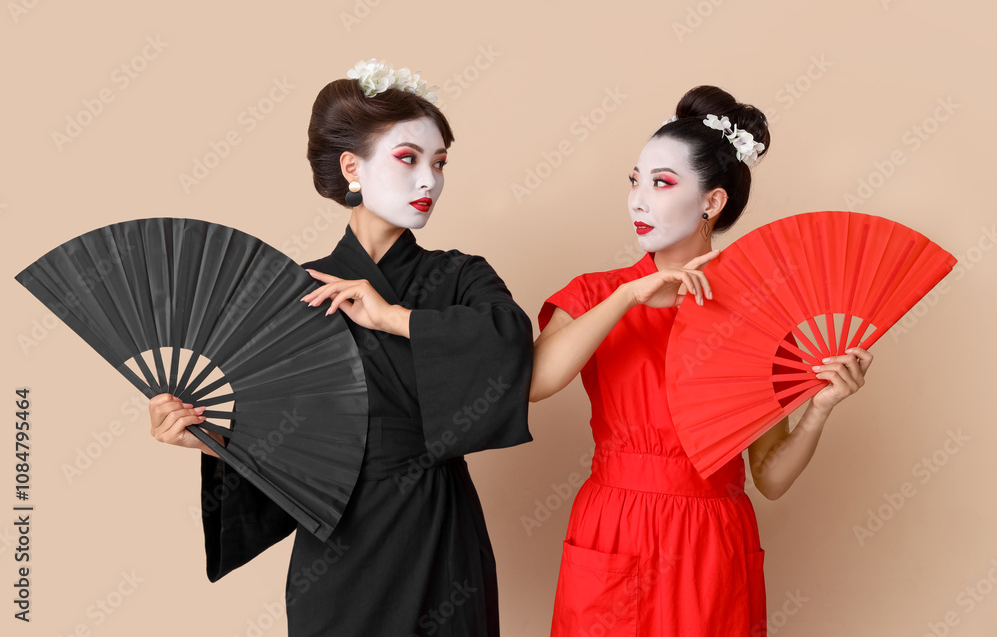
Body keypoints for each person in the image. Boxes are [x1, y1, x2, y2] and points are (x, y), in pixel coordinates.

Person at [147, 59, 534, 636]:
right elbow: (283, 450)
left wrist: (393, 317)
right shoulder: (291, 293)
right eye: (409, 158)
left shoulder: (462, 275)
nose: (430, 180)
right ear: (352, 167)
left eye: (440, 163)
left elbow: (509, 343)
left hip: (439, 530)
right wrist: (208, 441)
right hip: (339, 545)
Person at [530, 85, 874, 636]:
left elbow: (770, 476)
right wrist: (628, 297)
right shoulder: (596, 292)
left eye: (662, 184)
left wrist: (820, 408)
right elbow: (535, 382)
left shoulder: (756, 321)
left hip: (713, 538)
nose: (639, 200)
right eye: (635, 182)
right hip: (615, 525)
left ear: (712, 203)